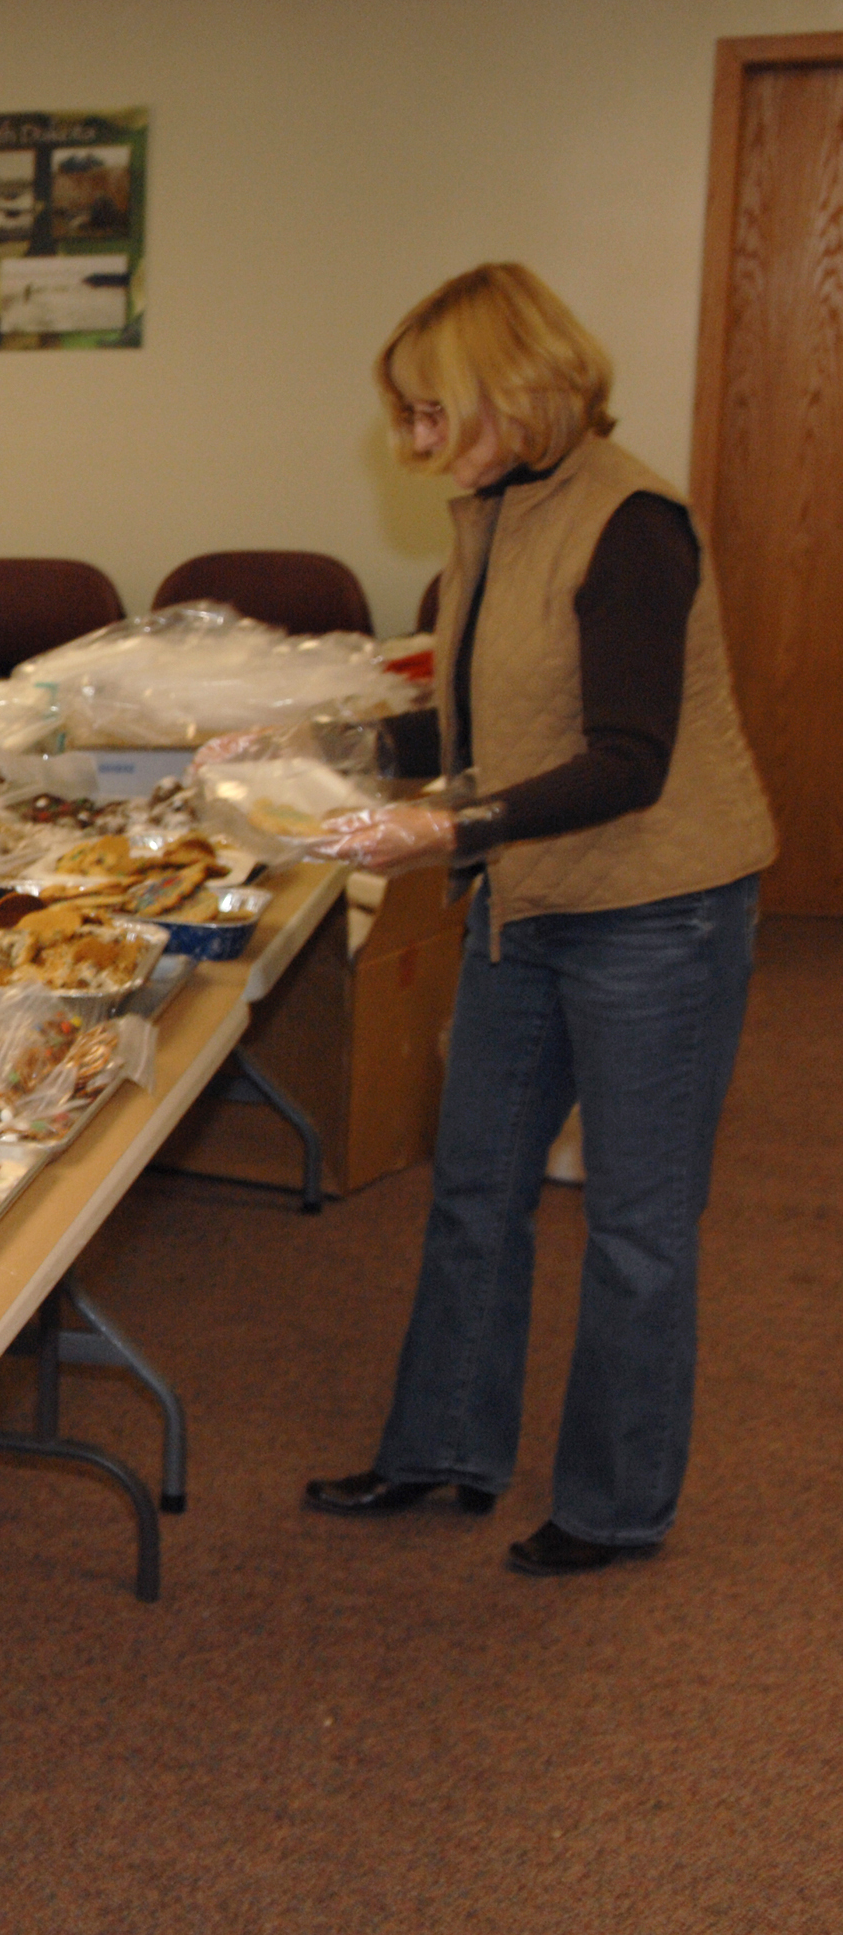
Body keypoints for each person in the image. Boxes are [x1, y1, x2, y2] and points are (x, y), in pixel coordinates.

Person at [292, 263, 775, 1574]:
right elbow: (484, 714)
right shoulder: (494, 507)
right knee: (478, 1186)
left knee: (634, 1223)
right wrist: (313, 744)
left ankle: (615, 1507)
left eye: (428, 412)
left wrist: (448, 828)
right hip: (533, 894)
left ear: (512, 391)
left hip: (656, 911)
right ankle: (442, 1450)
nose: (411, 442)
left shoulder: (633, 523)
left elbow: (628, 757)